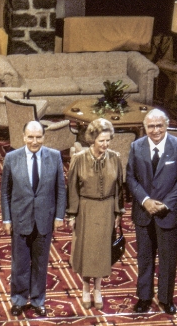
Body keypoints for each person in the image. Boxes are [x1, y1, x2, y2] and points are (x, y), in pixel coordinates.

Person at [127, 109, 177, 315]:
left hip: (169, 214)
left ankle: (166, 298)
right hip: (144, 213)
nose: (155, 130)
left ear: (167, 125)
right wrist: (145, 200)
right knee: (144, 258)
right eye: (151, 126)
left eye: (159, 126)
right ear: (145, 128)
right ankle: (144, 298)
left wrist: (165, 204)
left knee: (168, 259)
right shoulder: (136, 147)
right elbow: (131, 178)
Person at [0, 121, 67, 317]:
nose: (34, 141)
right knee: (19, 263)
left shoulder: (54, 157)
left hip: (44, 219)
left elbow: (61, 190)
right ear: (23, 137)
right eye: (30, 137)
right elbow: (5, 192)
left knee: (40, 263)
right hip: (20, 219)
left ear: (44, 137)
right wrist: (6, 219)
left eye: (38, 137)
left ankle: (38, 300)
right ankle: (19, 300)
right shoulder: (12, 158)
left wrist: (59, 215)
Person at [66, 118, 124, 310]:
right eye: (101, 141)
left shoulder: (115, 158)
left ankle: (98, 288)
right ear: (92, 140)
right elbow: (72, 189)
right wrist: (72, 214)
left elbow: (119, 188)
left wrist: (118, 212)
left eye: (108, 140)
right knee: (85, 251)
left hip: (106, 209)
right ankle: (85, 287)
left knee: (101, 251)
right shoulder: (79, 159)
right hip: (86, 209)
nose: (105, 145)